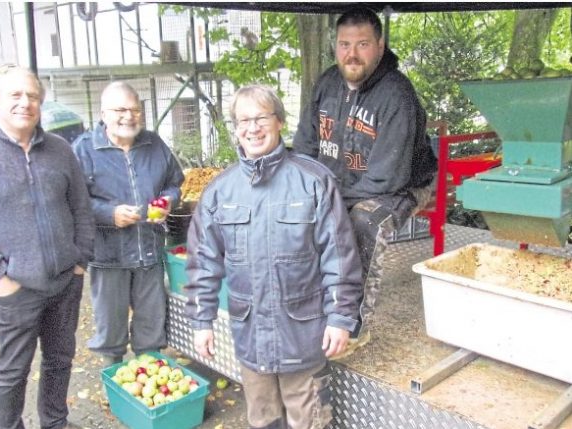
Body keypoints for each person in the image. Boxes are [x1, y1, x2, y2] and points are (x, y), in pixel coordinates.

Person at [184, 84, 363, 429]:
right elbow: (203, 261)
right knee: (263, 420)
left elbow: (339, 256)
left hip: (304, 333)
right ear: (235, 128)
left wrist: (341, 318)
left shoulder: (313, 180)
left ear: (279, 121)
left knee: (308, 422)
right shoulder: (220, 191)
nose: (252, 128)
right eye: (243, 120)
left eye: (261, 117)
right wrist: (201, 321)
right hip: (251, 337)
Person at [293, 8, 438, 359]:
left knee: (361, 221)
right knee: (296, 210)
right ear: (335, 46)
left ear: (380, 45)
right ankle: (308, 306)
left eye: (362, 44)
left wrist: (332, 202)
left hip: (401, 186)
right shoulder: (327, 83)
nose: (352, 53)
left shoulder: (397, 95)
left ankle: (354, 325)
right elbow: (305, 145)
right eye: (344, 44)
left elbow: (387, 176)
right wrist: (308, 192)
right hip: (339, 184)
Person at [0, 67, 94, 429]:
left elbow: (81, 207)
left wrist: (80, 262)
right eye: (15, 95)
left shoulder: (61, 150)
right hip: (15, 287)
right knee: (12, 371)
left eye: (32, 96)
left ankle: (55, 422)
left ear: (41, 104)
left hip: (65, 282)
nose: (24, 103)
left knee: (60, 360)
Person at [72, 81, 184, 366]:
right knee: (111, 329)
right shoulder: (83, 150)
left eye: (135, 109)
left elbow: (175, 183)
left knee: (151, 326)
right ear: (103, 113)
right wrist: (109, 215)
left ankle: (150, 380)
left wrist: (167, 201)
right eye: (120, 109)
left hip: (149, 251)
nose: (128, 116)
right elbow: (71, 200)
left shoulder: (154, 143)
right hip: (108, 256)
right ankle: (115, 381)